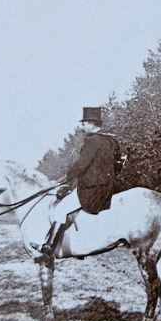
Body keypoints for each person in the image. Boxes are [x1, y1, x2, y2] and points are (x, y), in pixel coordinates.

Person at [38, 107, 124, 262]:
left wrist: (68, 177)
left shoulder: (92, 141)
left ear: (91, 123)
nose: (82, 126)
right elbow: (118, 165)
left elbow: (82, 165)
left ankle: (49, 248)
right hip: (107, 189)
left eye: (84, 123)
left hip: (91, 190)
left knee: (61, 209)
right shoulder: (112, 141)